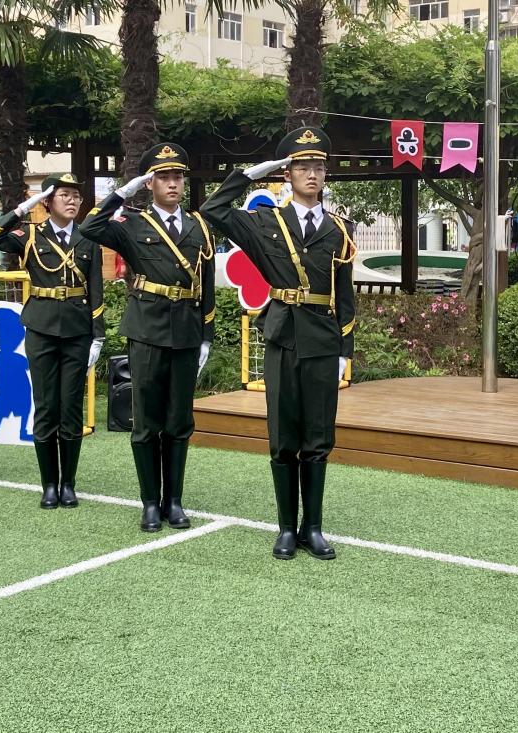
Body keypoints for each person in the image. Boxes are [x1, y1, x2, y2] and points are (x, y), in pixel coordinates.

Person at [202, 126, 356, 560]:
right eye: (302, 166)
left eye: (318, 166)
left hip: (323, 341)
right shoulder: (267, 222)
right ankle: (287, 528)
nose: (312, 173)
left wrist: (345, 350)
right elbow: (214, 209)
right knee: (283, 436)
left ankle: (314, 528)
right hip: (284, 337)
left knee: (318, 437)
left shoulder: (339, 229)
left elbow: (346, 296)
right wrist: (251, 174)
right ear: (287, 173)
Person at [81, 143, 216, 532]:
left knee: (179, 420)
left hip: (186, 332)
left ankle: (174, 501)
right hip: (146, 331)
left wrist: (206, 335)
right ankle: (150, 503)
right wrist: (122, 192)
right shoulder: (133, 224)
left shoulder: (198, 226)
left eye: (178, 177)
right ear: (150, 183)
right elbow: (90, 228)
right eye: (164, 177)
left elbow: (206, 284)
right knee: (146, 421)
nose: (173, 184)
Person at [0, 174, 104, 509]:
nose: (72, 200)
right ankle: (49, 484)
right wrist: (26, 206)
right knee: (47, 407)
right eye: (64, 195)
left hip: (77, 332)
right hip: (41, 330)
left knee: (71, 408)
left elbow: (96, 289)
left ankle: (68, 484)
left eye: (76, 195)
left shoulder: (87, 238)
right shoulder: (30, 235)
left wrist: (98, 334)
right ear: (48, 201)